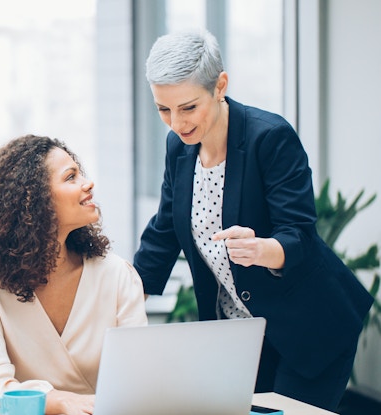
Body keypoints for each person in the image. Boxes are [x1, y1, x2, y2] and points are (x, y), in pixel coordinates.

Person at [133, 29, 373, 412]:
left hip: (309, 326)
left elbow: (300, 234)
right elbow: (164, 232)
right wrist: (121, 300)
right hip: (244, 333)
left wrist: (263, 249)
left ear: (220, 86)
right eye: (164, 109)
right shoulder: (179, 147)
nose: (176, 123)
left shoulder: (269, 137)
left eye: (188, 107)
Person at [0, 134, 148, 415]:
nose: (88, 184)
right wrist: (57, 402)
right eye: (71, 177)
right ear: (33, 200)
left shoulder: (118, 275)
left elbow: (139, 384)